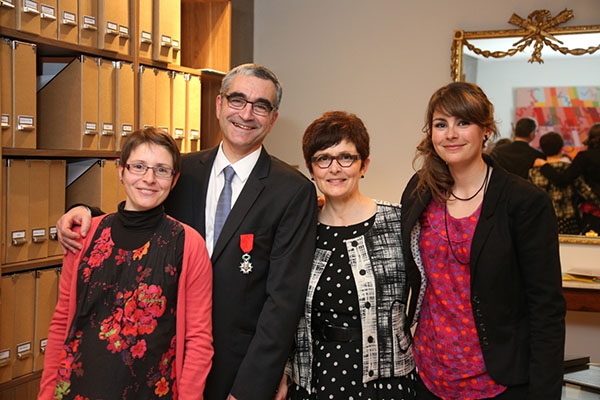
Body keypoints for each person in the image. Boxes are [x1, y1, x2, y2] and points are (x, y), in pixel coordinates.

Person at [55, 64, 318, 400]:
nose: (246, 114)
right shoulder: (183, 170)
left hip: (236, 369)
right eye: (237, 100)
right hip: (164, 358)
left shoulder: (292, 191)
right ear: (219, 105)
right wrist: (86, 213)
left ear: (273, 118)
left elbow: (284, 301)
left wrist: (253, 387)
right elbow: (139, 213)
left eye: (260, 105)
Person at [401, 82, 565, 399]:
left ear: (486, 130)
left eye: (463, 122)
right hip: (428, 376)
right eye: (440, 124)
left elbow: (547, 309)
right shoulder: (421, 191)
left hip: (499, 382)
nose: (450, 134)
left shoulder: (524, 201)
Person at [39, 128, 213, 399]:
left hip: (152, 391)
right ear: (121, 170)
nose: (149, 179)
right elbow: (62, 321)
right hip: (78, 388)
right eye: (139, 167)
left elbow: (199, 340)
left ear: (174, 179)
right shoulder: (84, 234)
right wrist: (46, 393)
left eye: (162, 170)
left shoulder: (188, 244)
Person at [277, 111, 418, 400]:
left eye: (346, 157)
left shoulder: (397, 222)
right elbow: (280, 309)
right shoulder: (299, 230)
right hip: (313, 378)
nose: (334, 169)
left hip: (385, 383)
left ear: (364, 164)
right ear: (310, 167)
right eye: (323, 158)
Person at [529, 131, 600, 235]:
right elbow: (587, 193)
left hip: (543, 218)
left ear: (542, 149)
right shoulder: (570, 169)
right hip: (569, 220)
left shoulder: (533, 172)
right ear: (561, 147)